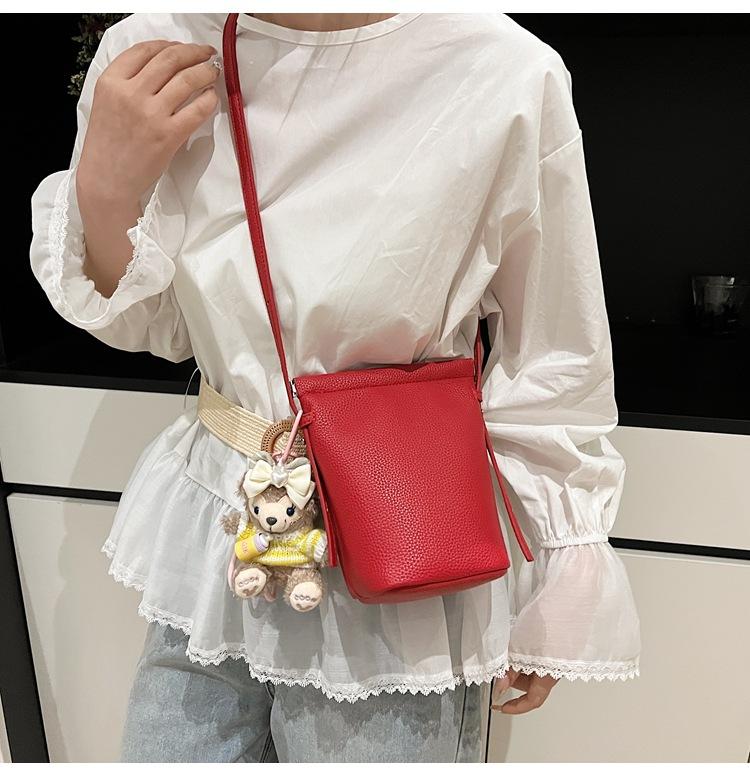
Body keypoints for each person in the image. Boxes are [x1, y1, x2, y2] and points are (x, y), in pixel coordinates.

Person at [28, 12, 641, 763]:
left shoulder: (499, 68)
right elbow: (158, 325)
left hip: (397, 551)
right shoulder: (160, 47)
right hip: (221, 542)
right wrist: (105, 192)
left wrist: (567, 554)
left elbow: (553, 345)